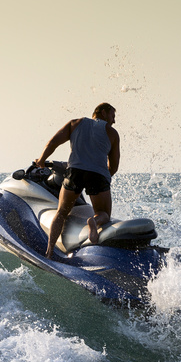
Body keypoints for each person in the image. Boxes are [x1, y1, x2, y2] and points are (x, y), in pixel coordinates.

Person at [34, 102, 120, 259]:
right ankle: (94, 222)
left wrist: (41, 160)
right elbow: (113, 167)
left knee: (61, 213)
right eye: (112, 116)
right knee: (104, 214)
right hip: (98, 175)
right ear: (102, 112)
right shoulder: (112, 133)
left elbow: (53, 142)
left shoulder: (75, 123)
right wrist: (103, 178)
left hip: (74, 172)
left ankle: (49, 252)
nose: (114, 121)